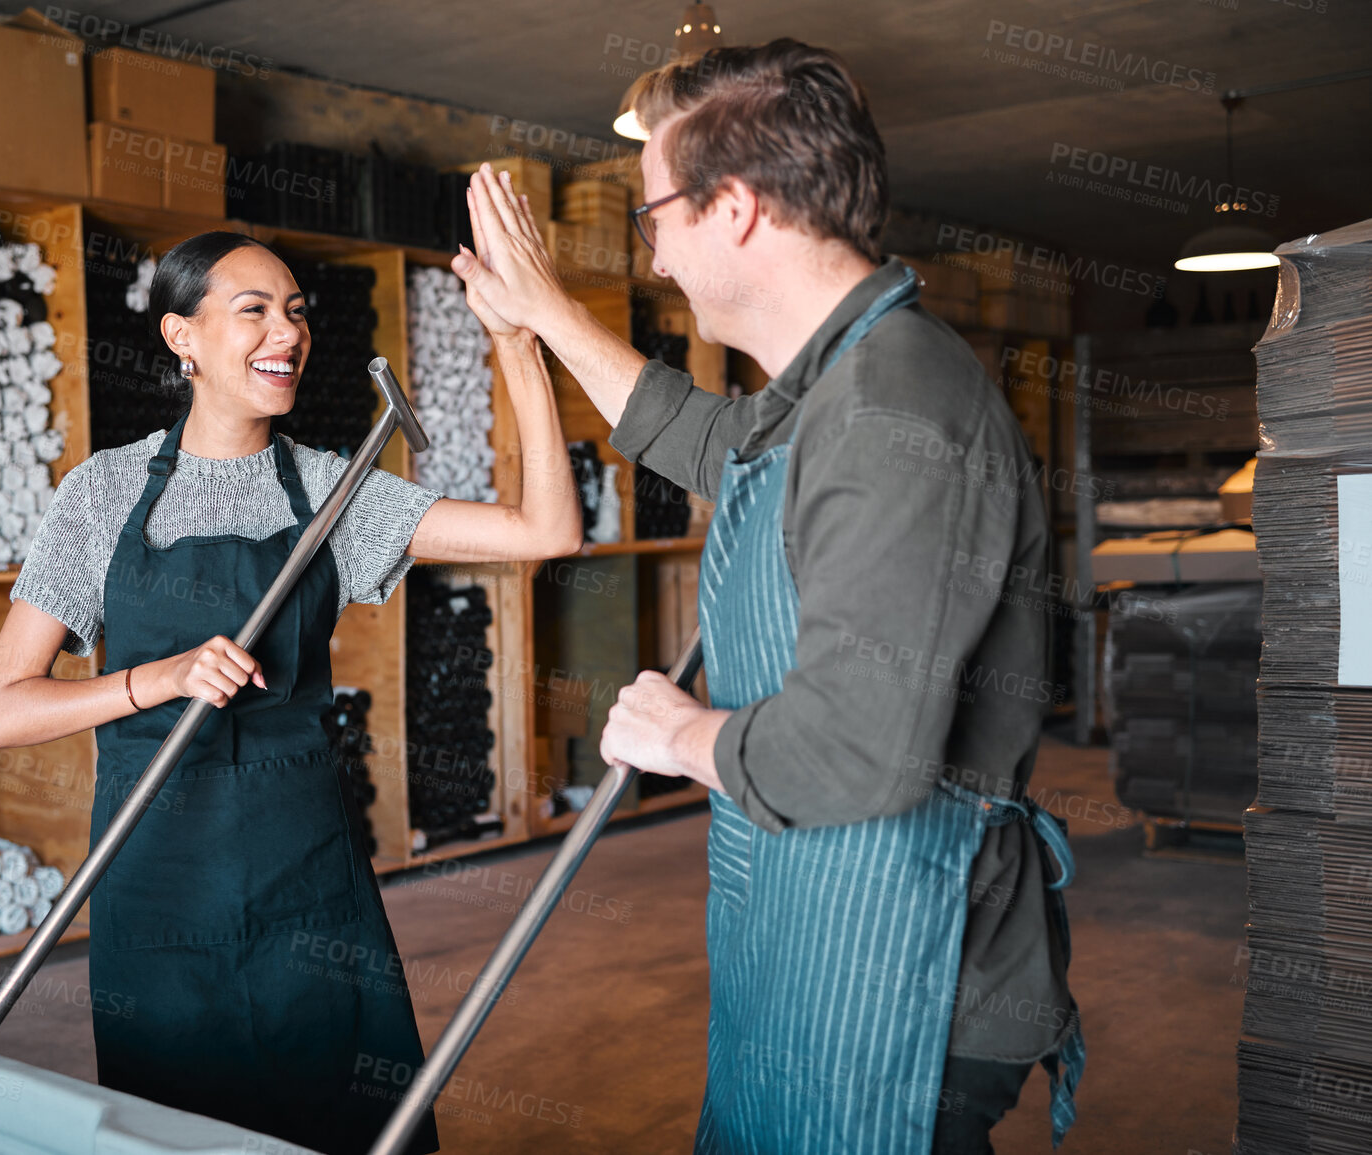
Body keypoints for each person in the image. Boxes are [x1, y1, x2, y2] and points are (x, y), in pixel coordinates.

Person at [449, 39, 1084, 1155]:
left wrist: (683, 734)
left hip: (907, 971)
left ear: (734, 208)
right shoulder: (837, 388)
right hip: (822, 927)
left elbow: (854, 757)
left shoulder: (897, 410)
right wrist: (542, 313)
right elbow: (712, 441)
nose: (655, 260)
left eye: (656, 219)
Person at [0, 226, 580, 1155]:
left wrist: (517, 339)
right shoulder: (100, 495)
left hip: (307, 880)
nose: (284, 332)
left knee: (341, 1111)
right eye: (252, 310)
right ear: (183, 338)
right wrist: (154, 679)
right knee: (177, 1127)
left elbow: (545, 530)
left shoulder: (332, 492)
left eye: (294, 312)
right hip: (156, 878)